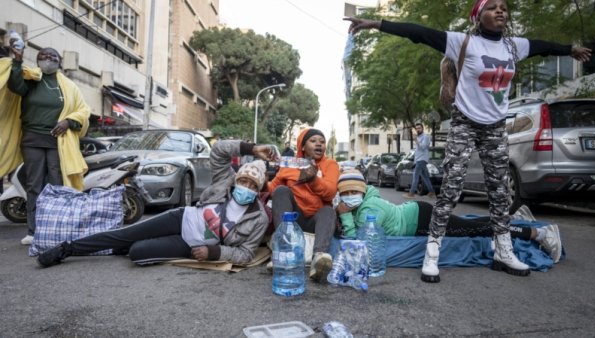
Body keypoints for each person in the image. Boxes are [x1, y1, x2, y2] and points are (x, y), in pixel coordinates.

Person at [345, 0, 590, 283]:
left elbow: (542, 46)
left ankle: (503, 250)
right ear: (478, 15)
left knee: (499, 192)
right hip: (465, 122)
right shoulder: (462, 42)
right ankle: (432, 253)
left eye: (504, 8)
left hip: (495, 127)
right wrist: (376, 23)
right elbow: (418, 32)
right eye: (492, 7)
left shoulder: (514, 46)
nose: (501, 11)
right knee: (450, 188)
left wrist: (569, 50)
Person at [36, 140, 277, 268]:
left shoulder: (259, 218)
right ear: (236, 179)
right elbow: (219, 151)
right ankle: (66, 249)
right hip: (182, 218)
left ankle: (125, 246)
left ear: (258, 190)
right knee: (123, 234)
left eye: (253, 185)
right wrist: (253, 149)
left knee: (137, 254)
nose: (246, 187)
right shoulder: (224, 181)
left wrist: (214, 252)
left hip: (191, 243)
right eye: (243, 180)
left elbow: (245, 254)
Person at [336, 169, 562, 263]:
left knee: (473, 229)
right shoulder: (365, 201)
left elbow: (361, 243)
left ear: (363, 190)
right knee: (468, 224)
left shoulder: (368, 208)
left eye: (354, 191)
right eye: (345, 193)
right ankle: (514, 220)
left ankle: (538, 233)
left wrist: (345, 216)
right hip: (417, 212)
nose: (350, 196)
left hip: (420, 221)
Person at [4, 40, 91, 246]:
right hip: (32, 139)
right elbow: (14, 85)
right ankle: (33, 231)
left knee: (56, 185)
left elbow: (83, 109)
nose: (48, 60)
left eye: (53, 57)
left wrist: (68, 122)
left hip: (58, 141)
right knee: (34, 185)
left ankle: (57, 227)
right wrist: (17, 59)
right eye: (43, 56)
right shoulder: (31, 79)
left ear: (59, 62)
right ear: (37, 60)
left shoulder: (69, 86)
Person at [268, 128, 340, 282]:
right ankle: (284, 252)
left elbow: (330, 192)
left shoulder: (330, 164)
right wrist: (257, 181)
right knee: (281, 191)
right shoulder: (289, 165)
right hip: (293, 219)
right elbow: (271, 190)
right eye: (313, 141)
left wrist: (312, 179)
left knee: (328, 211)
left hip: (316, 219)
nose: (319, 145)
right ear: (302, 146)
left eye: (322, 142)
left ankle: (319, 259)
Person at [404, 123, 436, 199]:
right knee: (425, 177)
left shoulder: (425, 137)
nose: (418, 129)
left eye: (419, 128)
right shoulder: (418, 137)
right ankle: (431, 192)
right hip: (419, 159)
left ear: (422, 128)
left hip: (422, 159)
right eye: (417, 128)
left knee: (415, 175)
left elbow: (423, 147)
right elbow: (418, 151)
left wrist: (416, 140)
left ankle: (411, 193)